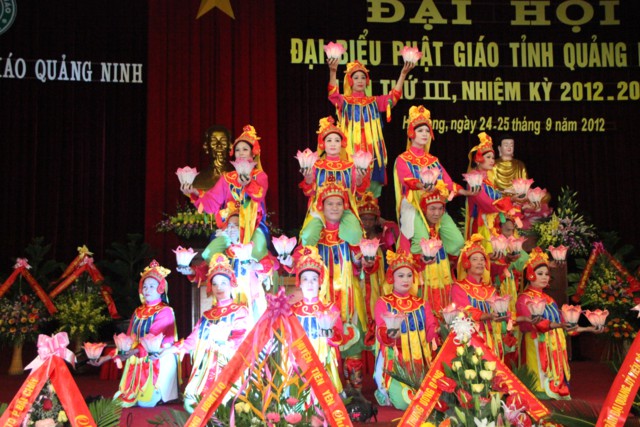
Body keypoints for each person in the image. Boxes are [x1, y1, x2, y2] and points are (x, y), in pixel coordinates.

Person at [300, 179, 367, 390]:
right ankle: (328, 390)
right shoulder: (317, 235)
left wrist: (364, 260)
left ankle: (356, 392)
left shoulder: (350, 236)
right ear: (321, 206)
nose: (335, 207)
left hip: (349, 296)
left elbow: (360, 266)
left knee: (352, 337)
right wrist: (316, 219)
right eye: (330, 203)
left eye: (339, 203)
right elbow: (304, 252)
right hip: (324, 296)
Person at [161, 253, 249, 412]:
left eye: (223, 283)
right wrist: (172, 349)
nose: (219, 288)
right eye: (215, 284)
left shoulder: (240, 311)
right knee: (191, 403)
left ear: (231, 285)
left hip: (229, 365)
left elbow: (240, 337)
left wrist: (224, 343)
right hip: (207, 368)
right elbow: (192, 340)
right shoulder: (207, 315)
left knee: (225, 405)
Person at [91, 260, 179, 408]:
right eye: (145, 286)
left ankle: (160, 392)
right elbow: (127, 340)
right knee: (122, 402)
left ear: (161, 288)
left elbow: (152, 340)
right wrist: (105, 358)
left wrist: (131, 352)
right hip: (137, 358)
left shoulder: (165, 311)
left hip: (157, 359)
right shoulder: (138, 311)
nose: (147, 289)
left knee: (145, 403)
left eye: (152, 286)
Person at [516, 247, 601, 399]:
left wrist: (589, 328)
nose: (544, 277)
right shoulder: (524, 299)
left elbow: (565, 324)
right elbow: (538, 324)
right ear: (530, 275)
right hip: (536, 345)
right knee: (538, 383)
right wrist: (560, 326)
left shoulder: (549, 300)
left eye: (546, 274)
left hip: (554, 346)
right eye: (540, 274)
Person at [394, 105, 470, 266]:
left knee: (457, 241)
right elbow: (406, 180)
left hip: (434, 205)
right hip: (413, 204)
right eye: (420, 130)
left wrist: (466, 192)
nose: (425, 134)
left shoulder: (433, 160)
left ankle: (445, 264)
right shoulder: (403, 159)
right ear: (411, 133)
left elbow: (447, 183)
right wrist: (421, 186)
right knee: (420, 241)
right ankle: (415, 268)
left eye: (427, 131)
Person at [181, 124, 269, 261]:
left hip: (253, 226)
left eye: (245, 149)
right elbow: (211, 204)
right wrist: (194, 192)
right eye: (237, 149)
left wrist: (248, 184)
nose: (241, 153)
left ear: (253, 153)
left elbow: (259, 195)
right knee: (209, 254)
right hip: (230, 228)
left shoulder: (260, 176)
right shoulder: (227, 178)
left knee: (257, 253)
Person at [328, 58, 414, 195]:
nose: (360, 80)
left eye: (363, 77)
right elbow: (333, 95)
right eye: (356, 77)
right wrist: (333, 72)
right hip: (351, 148)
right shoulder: (345, 101)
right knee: (349, 188)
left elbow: (393, 98)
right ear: (350, 81)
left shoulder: (374, 101)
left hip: (372, 150)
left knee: (370, 194)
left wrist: (403, 74)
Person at [373, 249, 438, 410]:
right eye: (401, 276)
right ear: (392, 278)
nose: (406, 280)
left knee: (432, 400)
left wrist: (441, 331)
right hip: (395, 363)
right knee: (405, 403)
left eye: (409, 275)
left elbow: (431, 330)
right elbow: (381, 332)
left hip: (420, 362)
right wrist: (390, 334)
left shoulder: (422, 303)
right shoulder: (383, 302)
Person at [298, 116, 369, 247]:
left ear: (342, 143)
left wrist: (359, 179)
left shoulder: (350, 166)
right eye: (329, 140)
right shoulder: (316, 166)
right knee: (308, 235)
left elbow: (358, 194)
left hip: (344, 208)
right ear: (323, 144)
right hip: (319, 209)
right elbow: (309, 193)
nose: (333, 144)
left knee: (355, 234)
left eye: (337, 140)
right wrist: (308, 180)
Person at [288, 246, 344, 395]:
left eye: (314, 279)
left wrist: (330, 335)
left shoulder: (330, 308)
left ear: (320, 282)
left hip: (323, 363)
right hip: (299, 364)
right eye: (305, 279)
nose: (310, 283)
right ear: (299, 282)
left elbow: (339, 338)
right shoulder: (293, 310)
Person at [451, 235, 515, 361]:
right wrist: (488, 316)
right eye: (475, 259)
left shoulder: (490, 289)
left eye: (482, 259)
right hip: (472, 340)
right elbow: (466, 311)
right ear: (466, 263)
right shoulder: (459, 287)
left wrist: (508, 317)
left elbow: (501, 309)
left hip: (493, 341)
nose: (480, 262)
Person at [464, 132, 521, 250]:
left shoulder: (487, 179)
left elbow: (496, 199)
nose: (492, 161)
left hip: (493, 224)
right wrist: (510, 200)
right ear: (478, 159)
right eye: (488, 157)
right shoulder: (474, 179)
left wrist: (509, 196)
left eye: (493, 158)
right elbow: (487, 205)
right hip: (481, 226)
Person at [192, 125, 233, 191]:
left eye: (223, 141)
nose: (219, 145)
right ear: (206, 146)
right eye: (214, 141)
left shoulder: (238, 175)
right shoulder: (198, 178)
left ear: (230, 146)